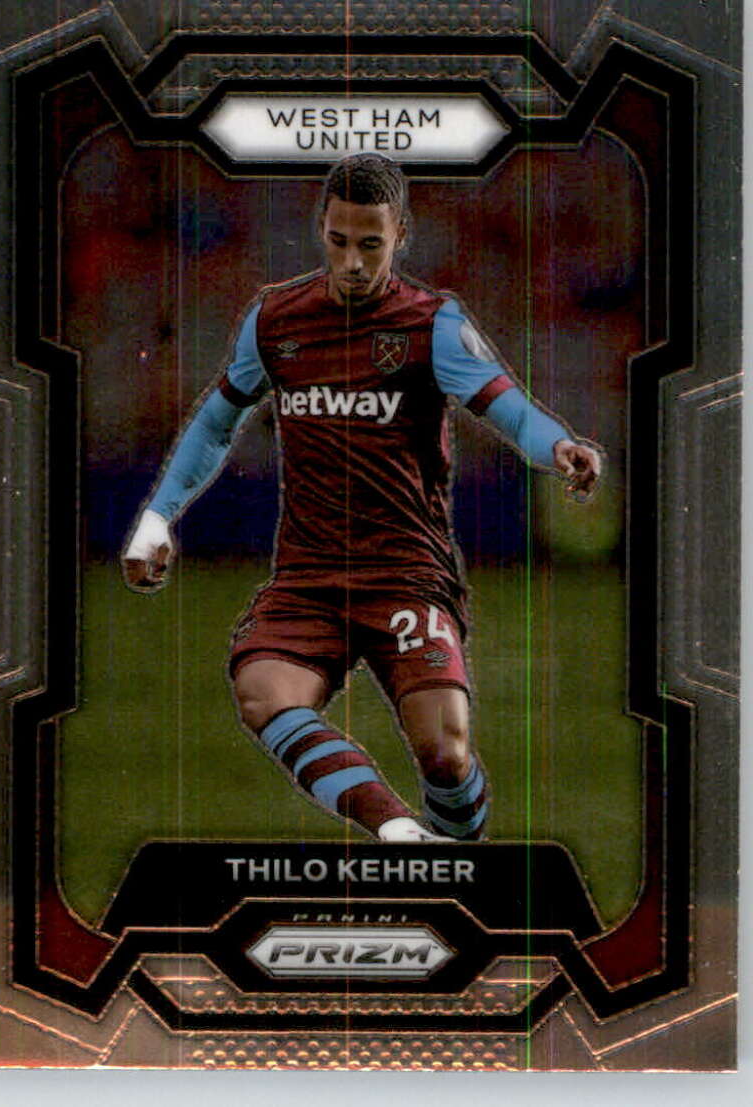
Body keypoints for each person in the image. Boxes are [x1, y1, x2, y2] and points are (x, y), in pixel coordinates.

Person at [122, 153, 601, 843]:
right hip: (309, 578)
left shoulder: (432, 325)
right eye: (339, 240)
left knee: (446, 755)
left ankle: (458, 867)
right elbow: (216, 422)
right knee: (262, 690)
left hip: (406, 573)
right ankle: (398, 832)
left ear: (400, 234)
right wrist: (157, 517)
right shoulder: (274, 320)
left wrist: (557, 445)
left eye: (370, 244)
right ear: (321, 227)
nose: (352, 262)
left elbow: (507, 406)